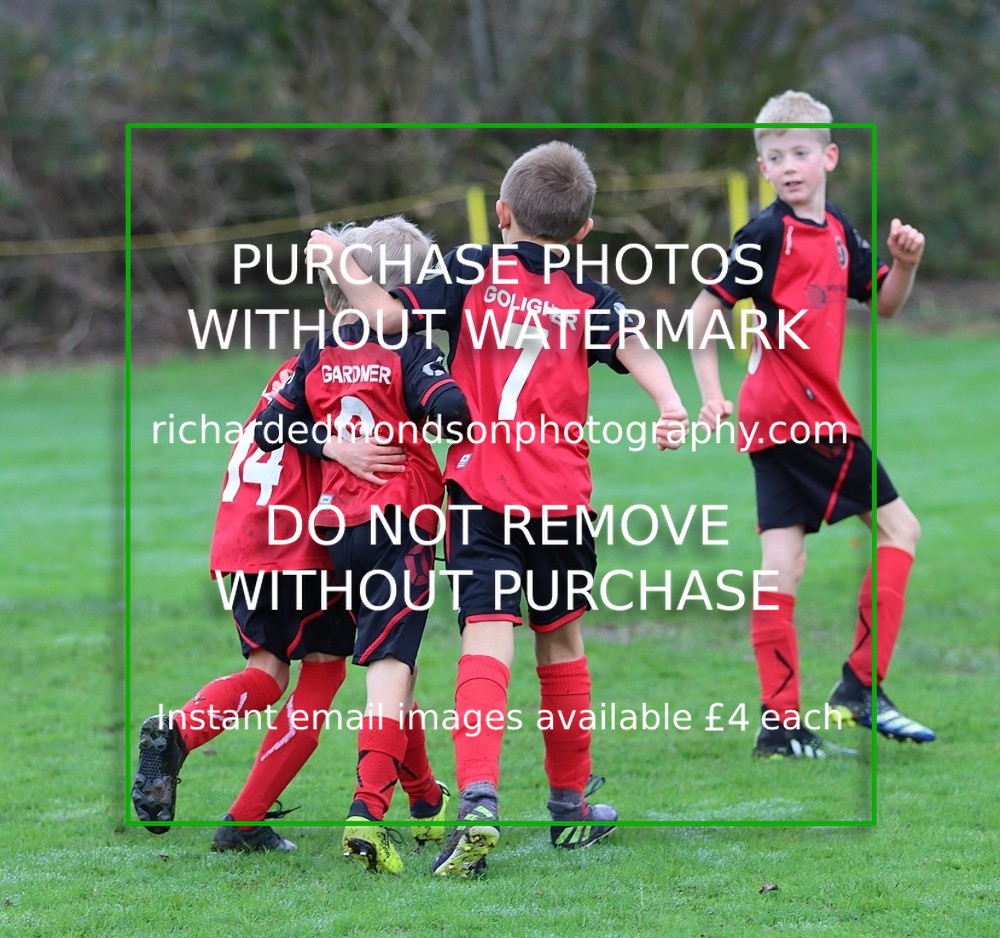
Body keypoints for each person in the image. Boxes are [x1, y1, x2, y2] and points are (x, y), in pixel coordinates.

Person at [306, 140, 689, 876]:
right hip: (562, 500)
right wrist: (670, 402)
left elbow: (385, 316)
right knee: (562, 642)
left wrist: (341, 262)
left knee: (487, 639)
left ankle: (478, 799)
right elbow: (636, 347)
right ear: (584, 230)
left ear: (502, 213)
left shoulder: (470, 270)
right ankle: (570, 808)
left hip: (480, 495)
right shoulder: (590, 295)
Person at [132, 218, 452, 859]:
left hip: (241, 541)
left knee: (272, 672)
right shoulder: (362, 369)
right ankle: (248, 818)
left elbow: (270, 432)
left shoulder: (297, 368)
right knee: (348, 673)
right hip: (302, 543)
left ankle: (180, 731)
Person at [686, 90, 935, 759]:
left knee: (783, 563)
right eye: (775, 157)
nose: (788, 166)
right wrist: (710, 393)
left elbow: (883, 303)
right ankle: (860, 685)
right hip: (803, 415)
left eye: (800, 152)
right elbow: (702, 316)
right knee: (901, 528)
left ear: (830, 156)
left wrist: (906, 264)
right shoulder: (766, 235)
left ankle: (780, 726)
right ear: (762, 168)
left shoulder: (840, 232)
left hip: (777, 420)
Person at [254, 219, 472, 874]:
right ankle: (366, 813)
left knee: (390, 665)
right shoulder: (406, 347)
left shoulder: (318, 351)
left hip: (340, 534)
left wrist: (330, 443)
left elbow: (271, 426)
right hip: (400, 527)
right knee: (390, 671)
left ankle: (426, 799)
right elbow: (453, 411)